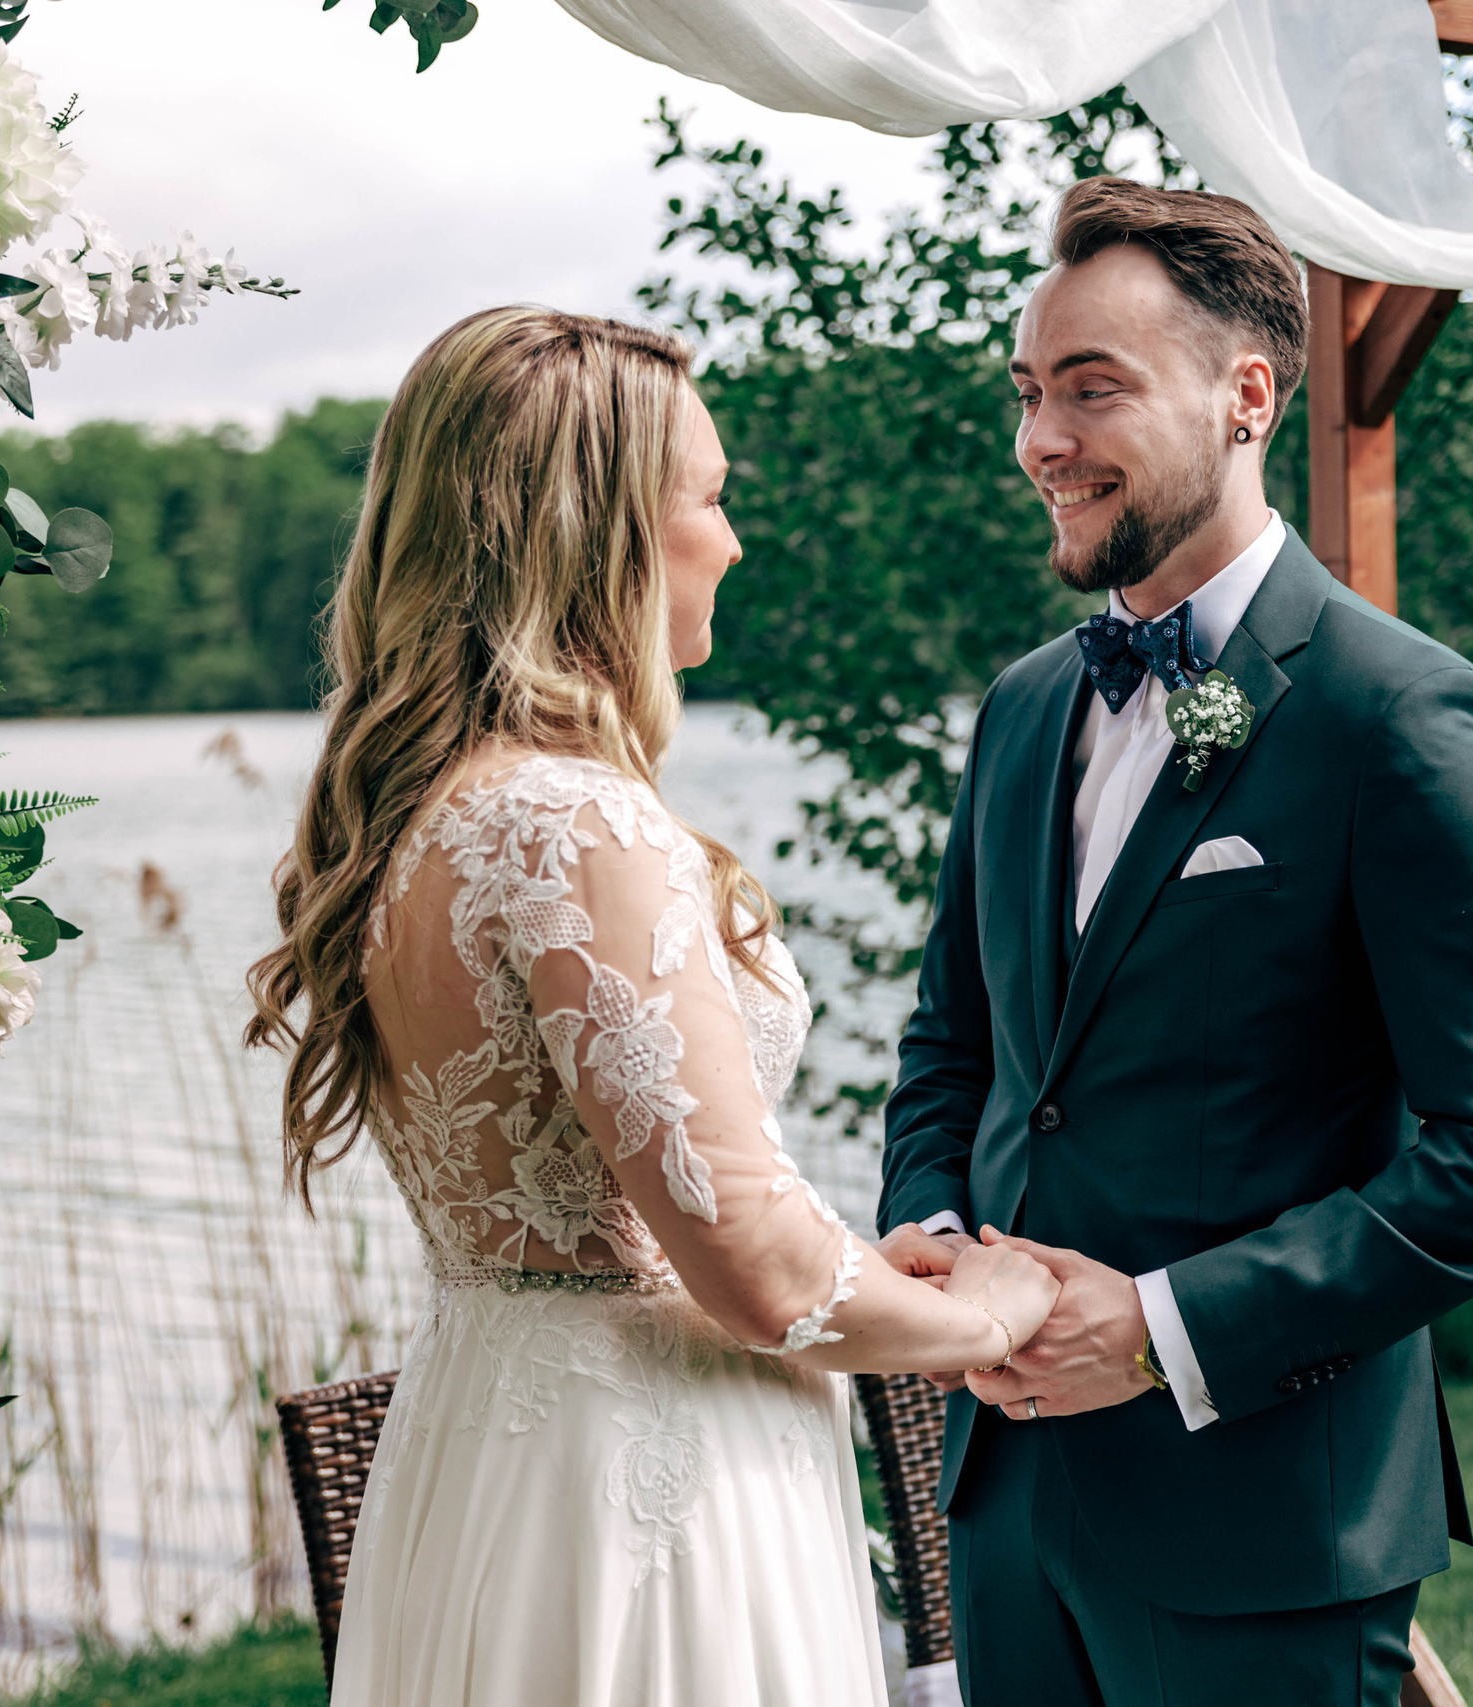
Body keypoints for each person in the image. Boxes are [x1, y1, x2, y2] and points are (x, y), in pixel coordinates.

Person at [245, 306, 1060, 1707]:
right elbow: (753, 1268)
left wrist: (872, 1274)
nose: (733, 540)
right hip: (647, 1490)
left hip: (483, 1450)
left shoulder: (419, 822)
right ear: (598, 527)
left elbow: (637, 1207)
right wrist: (995, 1309)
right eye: (712, 497)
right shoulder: (579, 825)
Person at [876, 178, 1473, 1706]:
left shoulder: (1399, 713)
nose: (1041, 442)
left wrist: (1155, 1329)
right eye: (1028, 394)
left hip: (1267, 1518)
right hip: (1007, 1510)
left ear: (1247, 394)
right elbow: (958, 1052)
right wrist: (935, 1242)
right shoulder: (1020, 712)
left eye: (1093, 389)